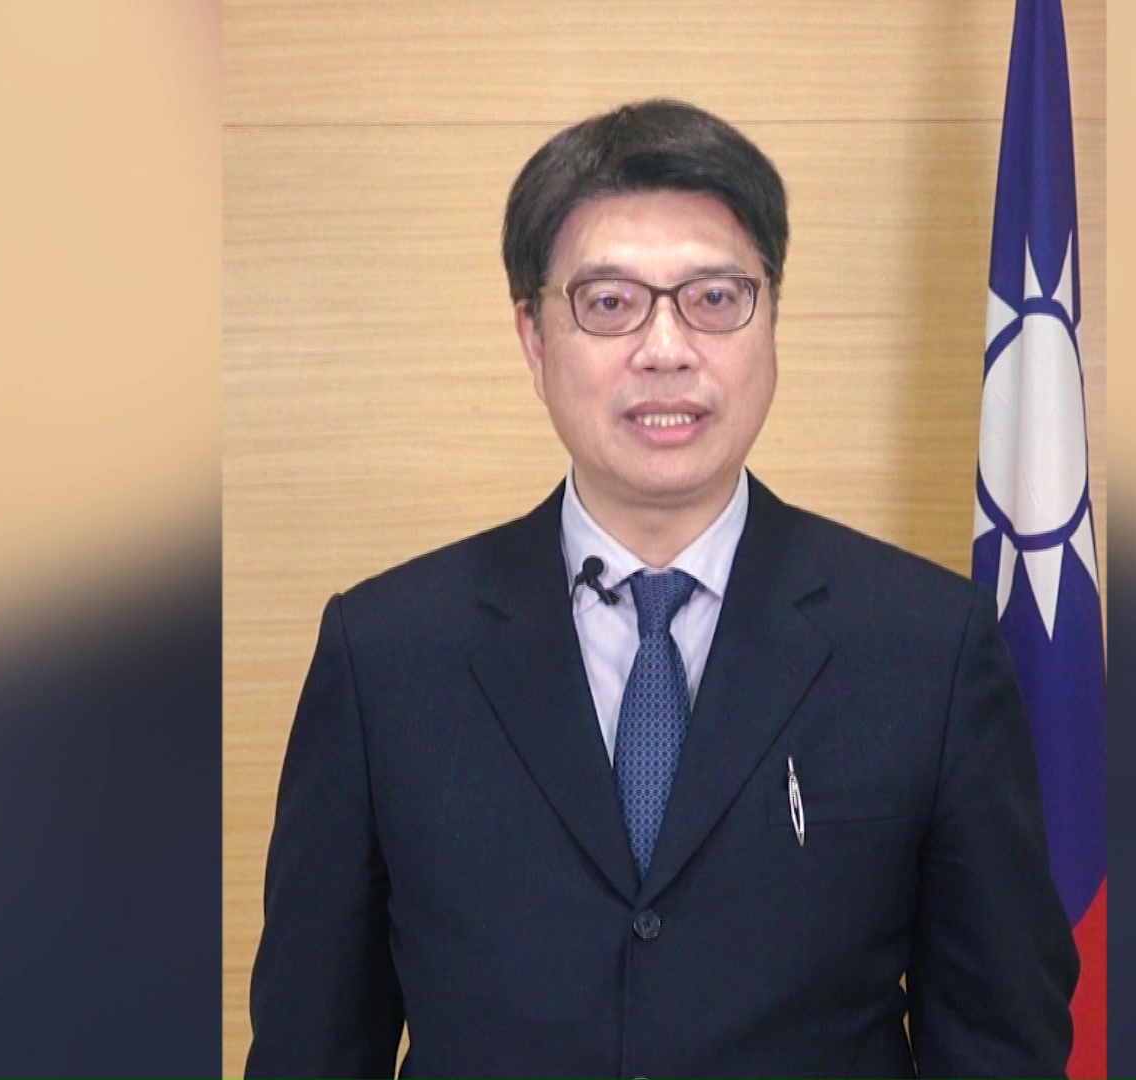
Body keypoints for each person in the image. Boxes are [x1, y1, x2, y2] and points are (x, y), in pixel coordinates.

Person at [245, 98, 1078, 1080]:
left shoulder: (926, 645)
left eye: (715, 297)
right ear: (532, 337)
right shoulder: (386, 655)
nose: (666, 348)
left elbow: (1000, 1042)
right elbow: (312, 1047)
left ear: (772, 321)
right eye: (609, 303)